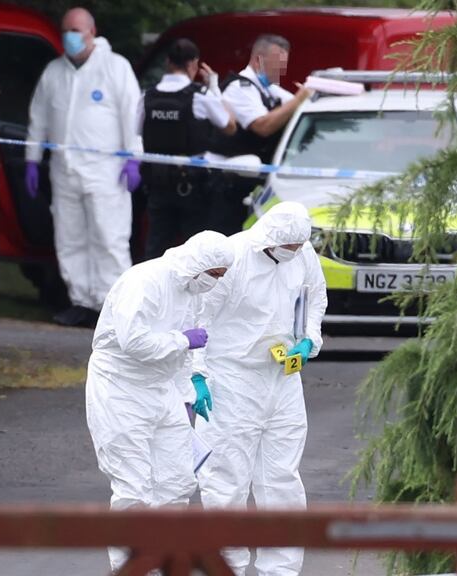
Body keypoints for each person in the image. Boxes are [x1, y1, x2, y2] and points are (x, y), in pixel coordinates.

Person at [192, 202, 328, 576]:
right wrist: (197, 374)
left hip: (282, 378)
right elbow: (198, 320)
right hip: (231, 378)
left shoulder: (301, 252)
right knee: (226, 480)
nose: (296, 253)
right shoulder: (232, 259)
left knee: (282, 478)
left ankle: (281, 570)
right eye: (291, 247)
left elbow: (314, 296)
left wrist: (308, 339)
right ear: (268, 239)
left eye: (301, 246)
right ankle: (226, 567)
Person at [86, 230, 233, 572]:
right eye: (215, 275)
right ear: (198, 265)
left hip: (162, 387)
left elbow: (182, 354)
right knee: (132, 487)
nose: (215, 283)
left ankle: (163, 561)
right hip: (121, 388)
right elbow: (134, 343)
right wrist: (182, 340)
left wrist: (188, 391)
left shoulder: (190, 290)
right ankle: (131, 569)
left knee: (178, 478)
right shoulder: (144, 281)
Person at [25, 7, 143, 327]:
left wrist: (133, 157)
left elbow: (132, 114)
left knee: (109, 238)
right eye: (66, 30)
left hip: (106, 171)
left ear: (92, 31)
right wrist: (32, 161)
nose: (70, 37)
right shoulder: (54, 72)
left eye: (76, 30)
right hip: (64, 171)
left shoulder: (115, 68)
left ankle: (113, 307)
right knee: (70, 237)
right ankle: (81, 301)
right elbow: (39, 118)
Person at [137, 38, 237, 260]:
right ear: (193, 64)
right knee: (196, 253)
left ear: (167, 63)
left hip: (157, 185)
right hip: (192, 187)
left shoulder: (147, 96)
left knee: (155, 251)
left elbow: (136, 132)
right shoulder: (199, 96)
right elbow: (230, 127)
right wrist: (214, 88)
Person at [207, 35, 315, 235]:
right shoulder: (240, 87)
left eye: (284, 64)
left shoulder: (269, 89)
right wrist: (300, 98)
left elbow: (300, 106)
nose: (282, 70)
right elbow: (263, 126)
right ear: (258, 60)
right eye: (277, 64)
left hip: (249, 185)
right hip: (226, 185)